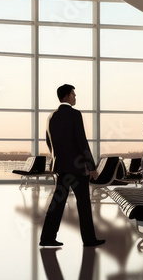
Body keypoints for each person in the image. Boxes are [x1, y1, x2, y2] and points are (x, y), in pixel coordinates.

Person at [39, 84, 104, 247]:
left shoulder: (51, 116)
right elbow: (81, 142)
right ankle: (89, 239)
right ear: (67, 96)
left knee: (57, 203)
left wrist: (59, 157)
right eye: (73, 94)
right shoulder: (75, 114)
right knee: (83, 203)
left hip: (61, 167)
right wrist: (92, 167)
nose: (75, 97)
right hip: (76, 168)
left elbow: (49, 142)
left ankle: (47, 238)